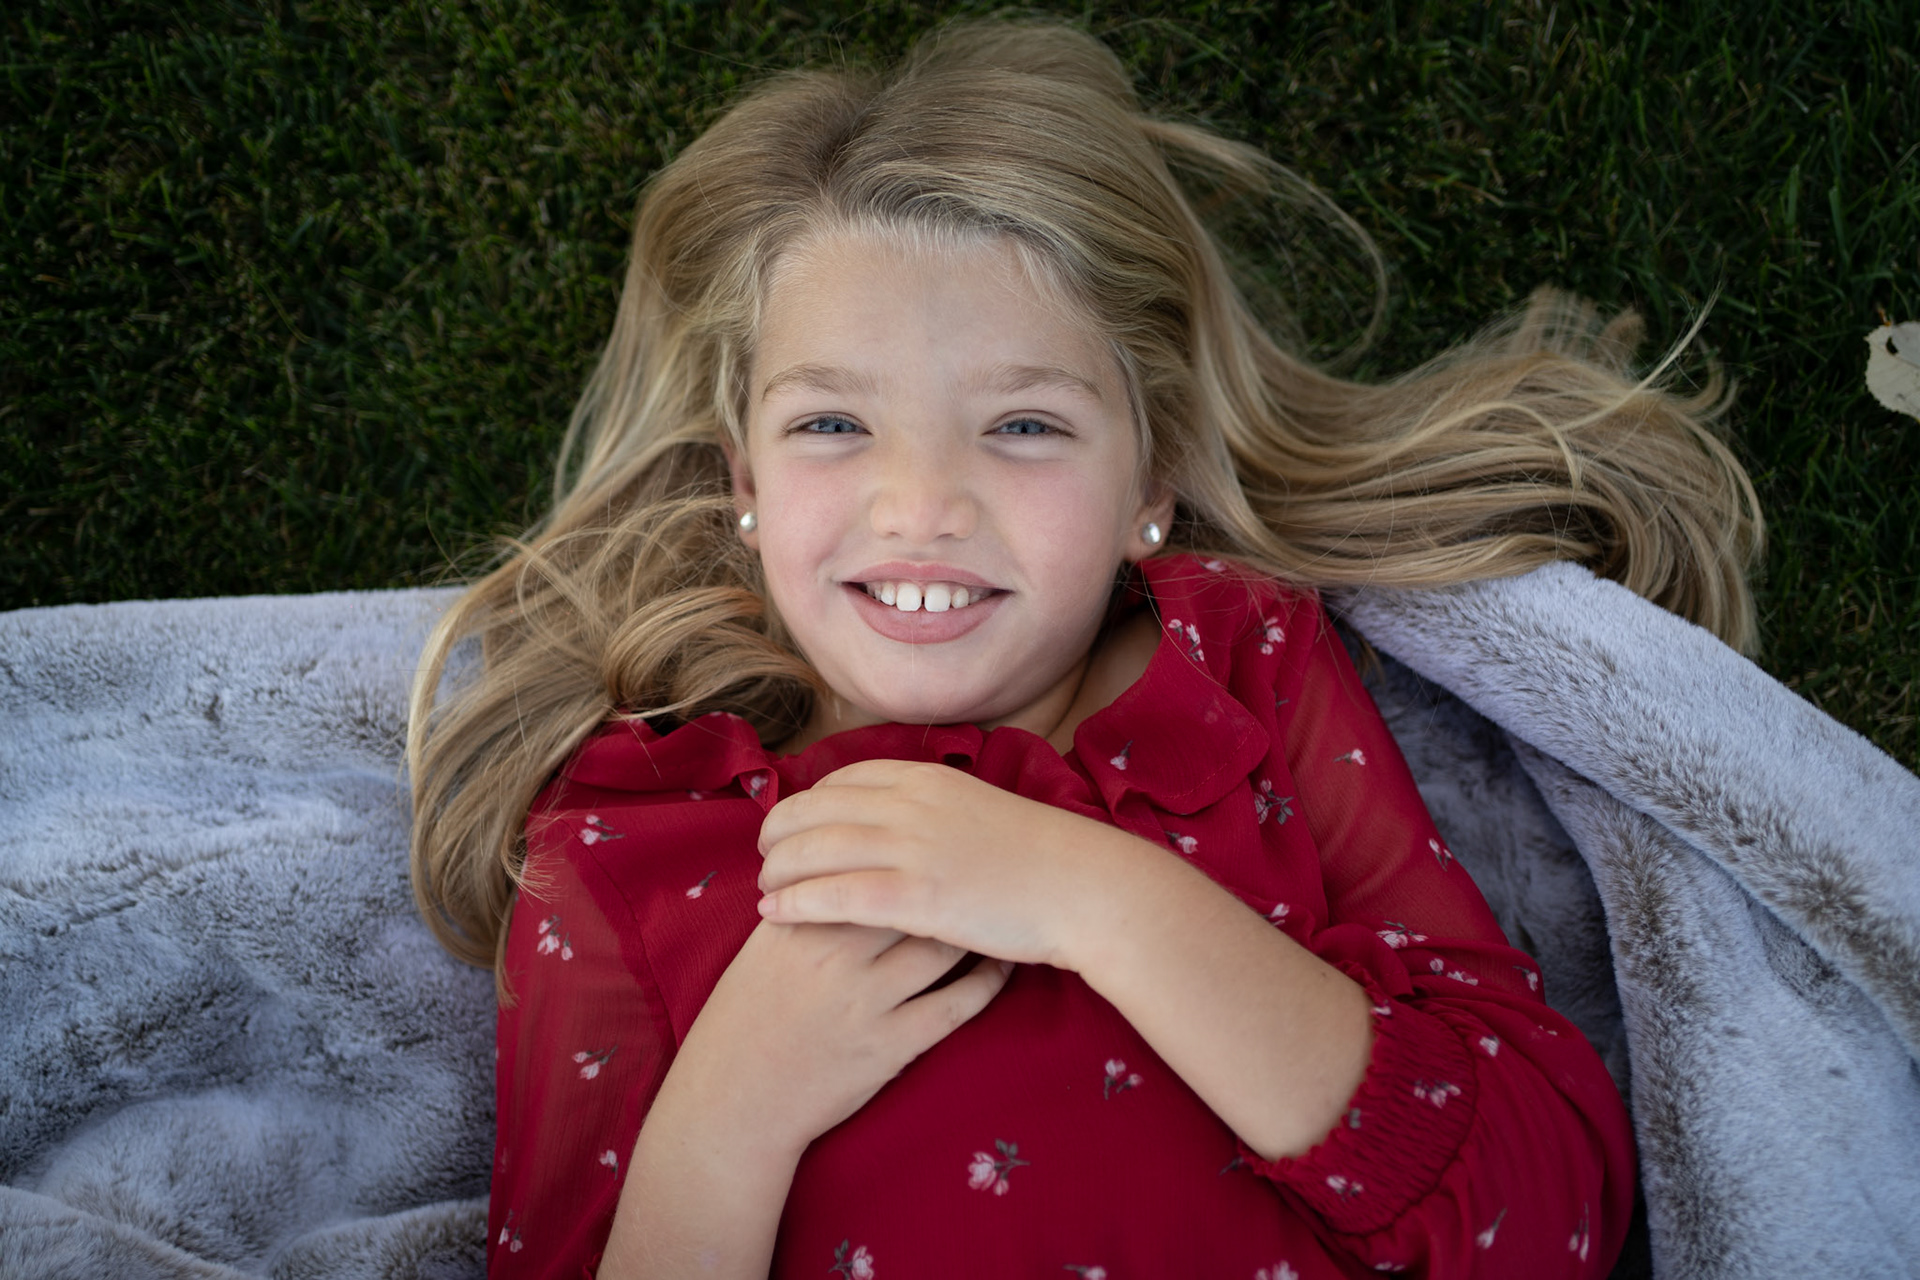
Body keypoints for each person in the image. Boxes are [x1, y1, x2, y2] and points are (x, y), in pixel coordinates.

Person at [407, 19, 1759, 1279]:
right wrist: (729, 1112)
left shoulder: (1234, 674)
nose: (922, 506)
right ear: (743, 478)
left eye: (1025, 426)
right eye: (833, 425)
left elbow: (1550, 1209)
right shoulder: (631, 842)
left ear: (1148, 482)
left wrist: (1098, 899)